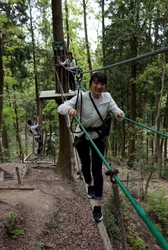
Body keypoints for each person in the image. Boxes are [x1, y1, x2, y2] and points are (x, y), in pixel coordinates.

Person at [57, 72, 124, 222]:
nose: (99, 86)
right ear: (91, 84)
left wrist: (119, 114)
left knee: (97, 169)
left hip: (99, 137)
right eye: (96, 83)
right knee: (85, 165)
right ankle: (89, 183)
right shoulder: (82, 97)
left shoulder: (107, 97)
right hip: (82, 136)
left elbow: (117, 111)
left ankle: (98, 205)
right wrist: (69, 109)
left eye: (102, 84)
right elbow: (61, 107)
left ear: (105, 85)